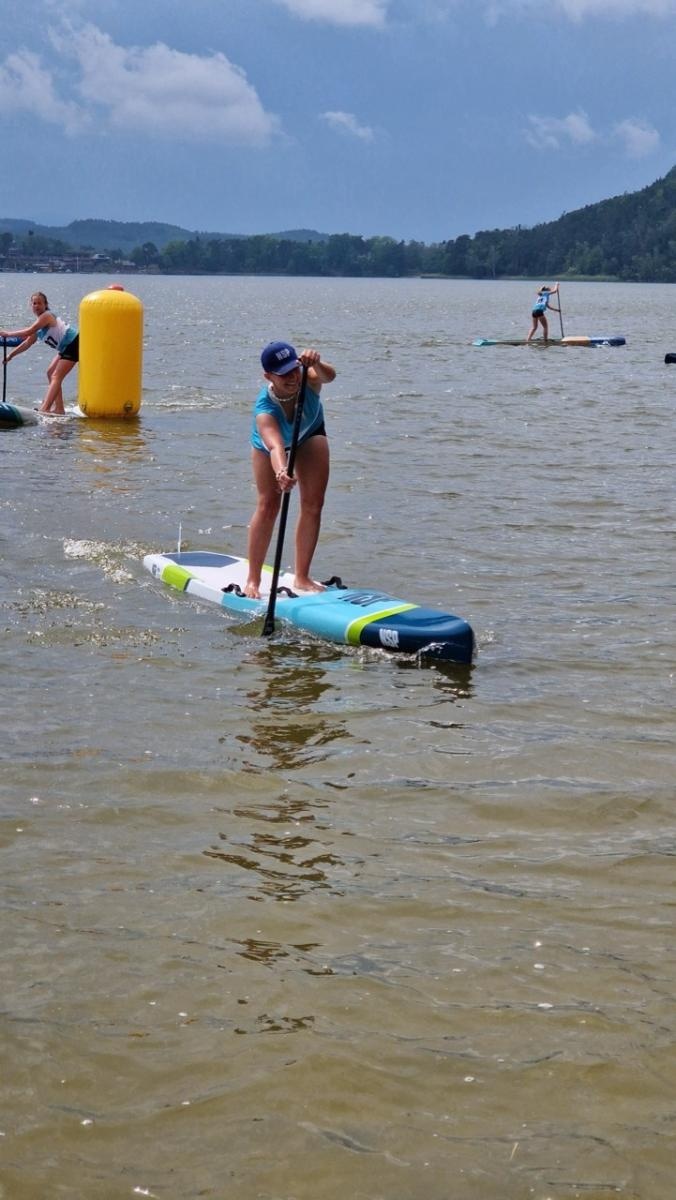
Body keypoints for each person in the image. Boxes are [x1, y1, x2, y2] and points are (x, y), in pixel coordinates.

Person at [245, 340, 336, 599]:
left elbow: (330, 376)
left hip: (310, 433)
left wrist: (317, 362)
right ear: (269, 377)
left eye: (294, 369)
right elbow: (275, 447)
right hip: (270, 447)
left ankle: (302, 577)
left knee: (313, 504)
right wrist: (281, 473)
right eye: (283, 374)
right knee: (268, 505)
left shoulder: (309, 378)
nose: (293, 377)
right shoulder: (264, 411)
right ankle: (253, 579)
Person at [0, 291, 79, 414]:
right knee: (50, 373)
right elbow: (27, 343)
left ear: (45, 305)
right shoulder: (39, 326)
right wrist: (10, 355)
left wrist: (8, 334)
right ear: (31, 305)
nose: (36, 306)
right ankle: (59, 409)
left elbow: (29, 331)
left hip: (75, 342)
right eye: (34, 303)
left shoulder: (47, 316)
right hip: (65, 347)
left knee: (56, 376)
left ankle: (45, 409)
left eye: (39, 303)